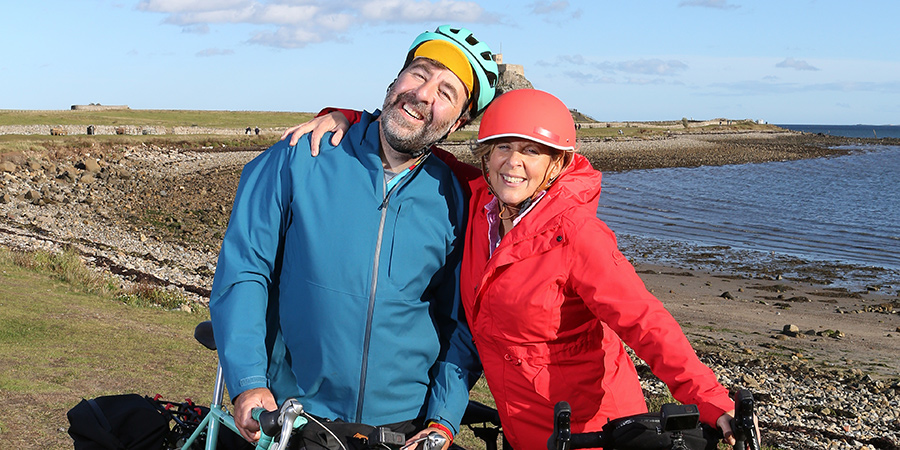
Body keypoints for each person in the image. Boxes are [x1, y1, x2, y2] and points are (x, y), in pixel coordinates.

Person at [287, 90, 757, 450]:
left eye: (531, 151)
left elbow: (645, 322)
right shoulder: (480, 204)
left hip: (590, 432)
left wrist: (708, 397)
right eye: (503, 148)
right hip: (522, 430)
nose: (514, 163)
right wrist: (350, 120)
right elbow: (412, 141)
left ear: (557, 163)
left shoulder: (577, 236)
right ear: (486, 156)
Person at [209, 25, 499, 449]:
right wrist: (249, 380)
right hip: (297, 415)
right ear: (395, 80)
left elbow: (463, 322)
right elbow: (244, 270)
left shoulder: (460, 196)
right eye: (420, 73)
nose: (423, 94)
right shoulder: (298, 156)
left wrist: (442, 419)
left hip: (404, 429)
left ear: (459, 121)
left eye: (447, 92)